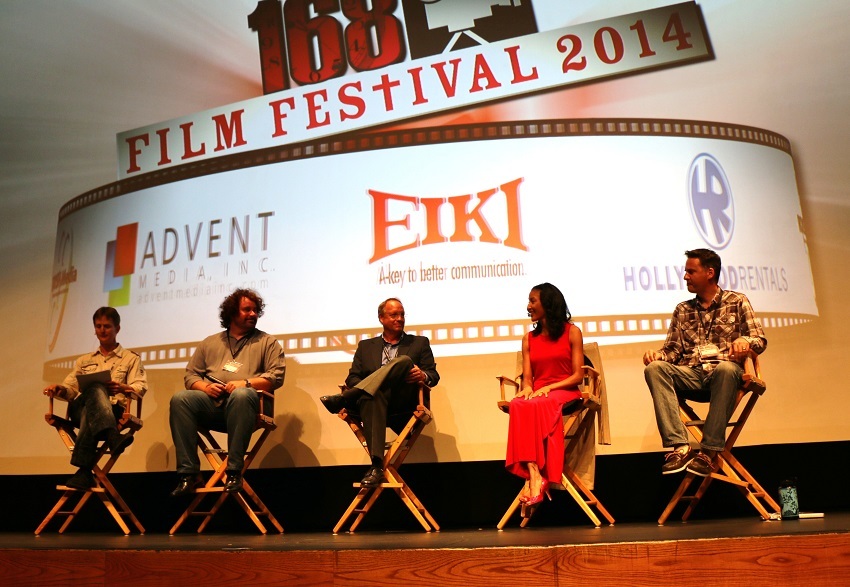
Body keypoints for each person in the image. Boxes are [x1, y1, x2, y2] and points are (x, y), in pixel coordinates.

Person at [643, 248, 767, 477]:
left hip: (724, 375)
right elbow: (672, 350)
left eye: (691, 271)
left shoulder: (737, 301)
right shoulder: (683, 309)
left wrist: (744, 341)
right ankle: (679, 448)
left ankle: (707, 453)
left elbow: (759, 339)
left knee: (728, 368)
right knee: (655, 369)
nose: (685, 277)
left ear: (710, 273)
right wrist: (658, 355)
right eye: (685, 272)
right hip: (691, 374)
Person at [169, 288, 285, 496]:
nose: (253, 314)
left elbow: (275, 377)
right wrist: (205, 387)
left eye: (256, 310)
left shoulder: (267, 342)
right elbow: (190, 376)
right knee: (180, 399)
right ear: (232, 313)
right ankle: (189, 474)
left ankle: (234, 471)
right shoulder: (210, 342)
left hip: (250, 408)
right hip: (213, 407)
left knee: (242, 395)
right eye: (247, 310)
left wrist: (246, 383)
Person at [319, 298, 439, 487]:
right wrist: (371, 387)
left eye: (402, 314)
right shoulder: (366, 346)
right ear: (381, 318)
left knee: (404, 361)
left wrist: (422, 375)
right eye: (393, 315)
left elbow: (434, 375)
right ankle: (376, 466)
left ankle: (345, 399)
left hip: (403, 404)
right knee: (371, 395)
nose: (399, 319)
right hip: (373, 404)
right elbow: (352, 378)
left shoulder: (419, 343)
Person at [43, 307, 147, 490]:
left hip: (114, 411)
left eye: (107, 326)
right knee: (95, 387)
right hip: (80, 408)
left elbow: (140, 387)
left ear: (117, 328)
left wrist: (123, 387)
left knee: (91, 408)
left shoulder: (131, 359)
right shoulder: (84, 360)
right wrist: (60, 389)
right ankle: (112, 436)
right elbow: (71, 389)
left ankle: (84, 472)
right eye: (98, 326)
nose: (102, 330)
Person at [505, 283, 585, 506]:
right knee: (518, 403)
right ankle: (534, 474)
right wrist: (528, 388)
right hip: (540, 393)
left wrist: (551, 387)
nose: (528, 306)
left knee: (540, 402)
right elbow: (528, 379)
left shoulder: (573, 332)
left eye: (533, 301)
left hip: (565, 391)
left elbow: (578, 375)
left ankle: (538, 478)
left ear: (548, 304)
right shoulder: (528, 339)